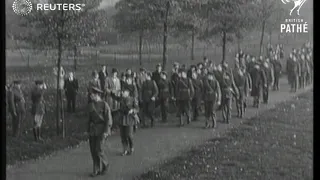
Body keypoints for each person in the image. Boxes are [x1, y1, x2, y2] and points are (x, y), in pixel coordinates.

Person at [87, 87, 112, 177]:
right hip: (93, 130)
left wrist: (106, 131)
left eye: (92, 95)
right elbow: (89, 119)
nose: (90, 96)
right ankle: (96, 170)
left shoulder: (104, 105)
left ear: (97, 95)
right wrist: (88, 130)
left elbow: (108, 119)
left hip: (101, 130)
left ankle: (106, 164)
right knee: (93, 150)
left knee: (99, 150)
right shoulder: (90, 105)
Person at [111, 88, 138, 156]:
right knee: (123, 135)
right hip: (122, 118)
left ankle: (131, 147)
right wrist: (112, 92)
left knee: (129, 135)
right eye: (123, 92)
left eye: (124, 92)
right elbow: (114, 97)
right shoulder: (121, 99)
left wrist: (133, 111)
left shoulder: (133, 99)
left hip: (129, 118)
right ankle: (125, 149)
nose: (123, 93)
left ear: (128, 93)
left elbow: (137, 108)